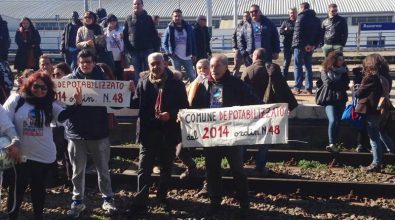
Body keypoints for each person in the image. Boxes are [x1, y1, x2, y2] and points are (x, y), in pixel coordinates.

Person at [3, 72, 81, 220]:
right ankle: (12, 216)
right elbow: (5, 122)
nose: (40, 90)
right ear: (29, 85)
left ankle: (38, 215)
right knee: (17, 189)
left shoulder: (49, 104)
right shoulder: (17, 100)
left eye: (44, 88)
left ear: (48, 89)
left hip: (43, 155)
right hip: (20, 154)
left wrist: (77, 104)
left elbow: (63, 115)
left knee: (38, 189)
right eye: (36, 86)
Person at [189, 54, 259, 217]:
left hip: (231, 136)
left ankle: (244, 201)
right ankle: (215, 201)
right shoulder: (203, 84)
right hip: (211, 136)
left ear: (226, 67)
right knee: (212, 170)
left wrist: (270, 111)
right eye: (211, 66)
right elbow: (194, 106)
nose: (213, 70)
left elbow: (253, 102)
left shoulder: (236, 84)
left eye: (217, 66)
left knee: (237, 170)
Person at [128, 52, 188, 215]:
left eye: (158, 63)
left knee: (166, 168)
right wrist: (129, 93)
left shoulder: (176, 84)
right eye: (152, 64)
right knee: (143, 169)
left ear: (165, 63)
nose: (155, 67)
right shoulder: (143, 82)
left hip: (167, 133)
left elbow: (184, 107)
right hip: (148, 133)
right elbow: (135, 104)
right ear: (149, 65)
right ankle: (141, 201)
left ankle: (162, 197)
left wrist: (171, 114)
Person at [63, 50, 117, 217]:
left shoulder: (104, 81)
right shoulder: (67, 82)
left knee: (103, 169)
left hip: (98, 131)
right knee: (77, 170)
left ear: (94, 62)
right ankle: (77, 201)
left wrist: (128, 91)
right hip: (76, 132)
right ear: (78, 63)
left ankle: (108, 199)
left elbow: (116, 105)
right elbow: (61, 107)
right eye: (82, 61)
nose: (85, 64)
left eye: (88, 61)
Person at [241, 48, 298, 175]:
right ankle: (260, 166)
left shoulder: (248, 71)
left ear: (255, 56)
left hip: (251, 111)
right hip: (269, 110)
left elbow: (242, 92)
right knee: (265, 139)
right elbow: (282, 88)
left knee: (245, 137)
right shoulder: (274, 69)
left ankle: (240, 163)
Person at [355, 54, 395, 172]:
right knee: (382, 131)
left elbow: (359, 94)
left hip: (372, 110)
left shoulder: (370, 77)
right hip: (384, 109)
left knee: (374, 138)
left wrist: (355, 88)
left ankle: (376, 163)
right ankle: (392, 152)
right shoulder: (387, 76)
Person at [319, 51, 350, 152]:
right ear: (334, 60)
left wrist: (338, 84)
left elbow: (346, 84)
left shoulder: (344, 70)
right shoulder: (325, 70)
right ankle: (331, 143)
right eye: (339, 60)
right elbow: (328, 83)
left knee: (337, 122)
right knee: (332, 120)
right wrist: (340, 85)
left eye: (342, 59)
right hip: (329, 99)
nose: (342, 61)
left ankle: (335, 143)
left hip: (341, 99)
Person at [123, 0, 160, 82]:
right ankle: (139, 92)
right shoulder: (128, 18)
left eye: (138, 4)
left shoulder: (148, 18)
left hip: (148, 50)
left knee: (150, 72)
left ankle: (150, 90)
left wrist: (156, 49)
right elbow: (125, 36)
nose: (136, 5)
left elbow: (154, 34)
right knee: (137, 74)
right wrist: (128, 50)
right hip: (134, 52)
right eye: (134, 4)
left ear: (142, 5)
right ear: (132, 6)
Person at [292, 2, 321, 95]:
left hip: (300, 46)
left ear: (302, 8)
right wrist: (313, 45)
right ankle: (309, 89)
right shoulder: (316, 19)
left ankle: (297, 87)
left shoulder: (301, 17)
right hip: (310, 47)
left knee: (298, 67)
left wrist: (305, 45)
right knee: (308, 67)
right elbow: (319, 34)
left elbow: (298, 32)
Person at [163, 9, 197, 83]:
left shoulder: (188, 27)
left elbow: (193, 41)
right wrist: (169, 53)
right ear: (172, 17)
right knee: (177, 77)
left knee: (192, 75)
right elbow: (164, 43)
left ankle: (194, 92)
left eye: (179, 16)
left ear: (182, 17)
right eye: (175, 16)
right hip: (175, 57)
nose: (177, 18)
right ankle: (179, 92)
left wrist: (194, 54)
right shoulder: (169, 28)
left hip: (187, 56)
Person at [104, 14, 124, 80]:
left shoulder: (121, 29)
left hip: (119, 55)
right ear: (107, 22)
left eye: (114, 20)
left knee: (120, 74)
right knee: (110, 74)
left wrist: (122, 36)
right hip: (109, 56)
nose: (112, 22)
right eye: (110, 20)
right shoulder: (104, 31)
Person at [232, 11, 251, 77]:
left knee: (249, 66)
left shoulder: (251, 25)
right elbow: (234, 36)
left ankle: (249, 80)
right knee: (236, 67)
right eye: (244, 16)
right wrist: (234, 47)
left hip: (248, 50)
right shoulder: (239, 25)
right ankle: (233, 81)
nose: (245, 17)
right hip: (239, 50)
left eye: (247, 16)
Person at [279, 8, 297, 79]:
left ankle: (299, 82)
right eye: (291, 13)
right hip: (287, 45)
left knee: (297, 64)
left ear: (296, 13)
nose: (292, 14)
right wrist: (288, 30)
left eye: (293, 12)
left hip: (296, 45)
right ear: (289, 14)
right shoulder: (285, 22)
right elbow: (281, 31)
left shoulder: (299, 21)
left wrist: (288, 30)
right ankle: (283, 80)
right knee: (286, 63)